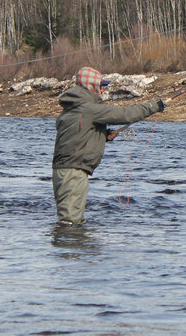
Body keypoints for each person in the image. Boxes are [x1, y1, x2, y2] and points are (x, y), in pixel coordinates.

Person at [52, 66, 165, 225]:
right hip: (74, 173)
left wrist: (103, 136)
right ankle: (68, 241)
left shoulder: (72, 108)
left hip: (64, 171)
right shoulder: (89, 108)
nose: (102, 90)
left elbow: (77, 136)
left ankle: (69, 241)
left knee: (71, 220)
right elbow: (125, 115)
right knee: (70, 223)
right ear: (90, 87)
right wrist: (155, 106)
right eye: (100, 86)